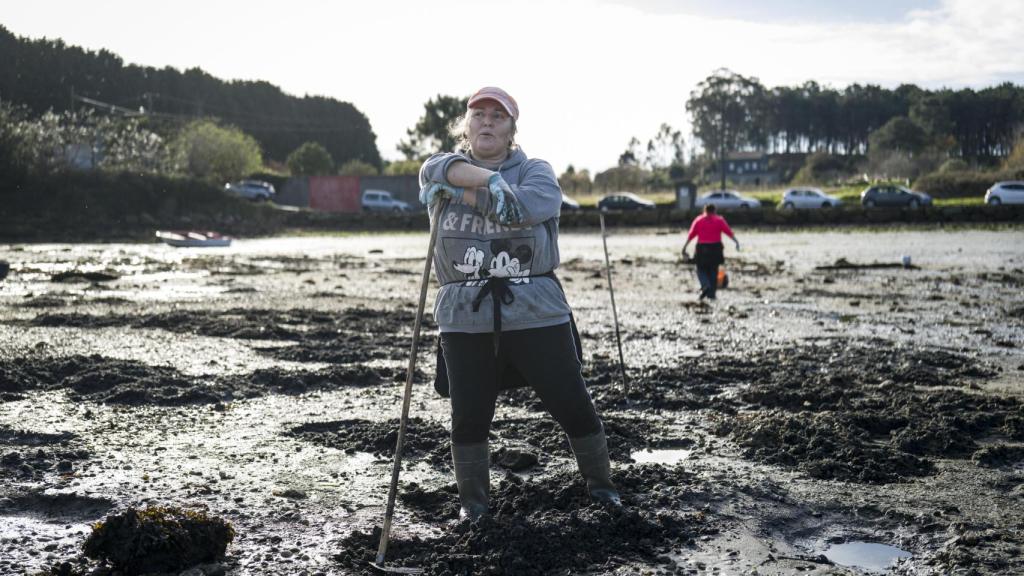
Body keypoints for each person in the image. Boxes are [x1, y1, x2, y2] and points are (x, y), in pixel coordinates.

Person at [418, 86, 620, 521]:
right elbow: (434, 168)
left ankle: (603, 490)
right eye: (479, 115)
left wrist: (468, 192)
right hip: (463, 314)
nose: (487, 122)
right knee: (468, 416)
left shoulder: (537, 171)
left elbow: (521, 207)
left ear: (512, 130)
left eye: (498, 116)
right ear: (466, 127)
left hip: (535, 308)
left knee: (572, 402)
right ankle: (473, 506)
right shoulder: (439, 169)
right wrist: (483, 181)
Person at [681, 203, 740, 300]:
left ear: (705, 210)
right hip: (716, 248)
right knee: (713, 270)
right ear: (714, 211)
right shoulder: (719, 220)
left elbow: (691, 235)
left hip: (702, 248)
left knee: (701, 269)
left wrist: (684, 247)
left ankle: (705, 285)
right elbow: (728, 232)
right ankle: (711, 293)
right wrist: (736, 242)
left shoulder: (699, 220)